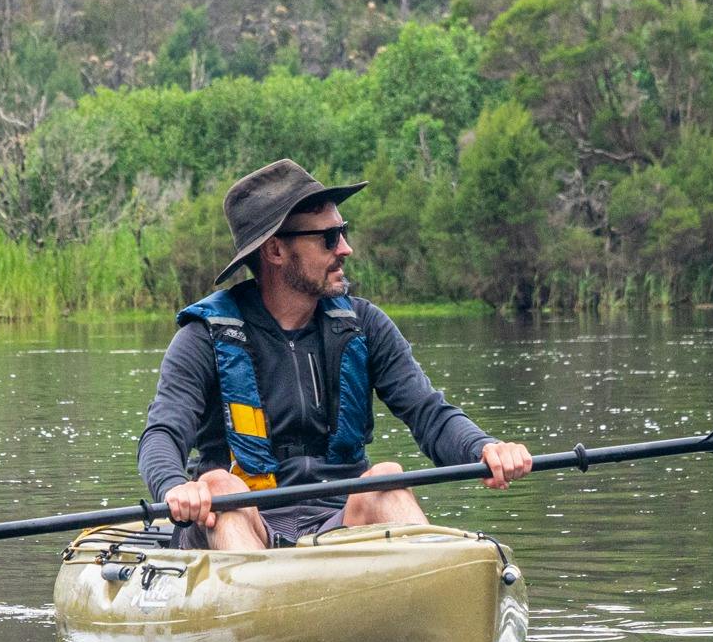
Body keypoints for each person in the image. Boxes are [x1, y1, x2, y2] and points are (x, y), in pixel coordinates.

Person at [139, 158, 533, 548]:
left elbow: (428, 413)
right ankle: (261, 603)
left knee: (388, 479)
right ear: (275, 250)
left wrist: (485, 448)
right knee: (220, 487)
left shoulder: (365, 324)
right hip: (240, 520)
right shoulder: (202, 338)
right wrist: (175, 487)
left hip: (339, 519)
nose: (345, 248)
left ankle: (436, 590)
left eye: (343, 231)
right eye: (329, 238)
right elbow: (162, 434)